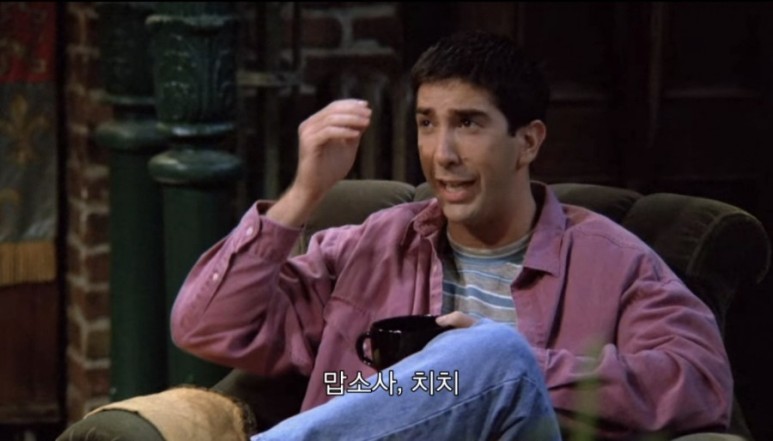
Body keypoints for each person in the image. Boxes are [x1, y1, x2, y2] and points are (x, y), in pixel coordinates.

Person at [170, 30, 732, 440]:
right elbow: (206, 325)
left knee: (494, 349)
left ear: (528, 142)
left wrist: (516, 370)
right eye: (427, 123)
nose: (442, 154)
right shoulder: (370, 247)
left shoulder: (611, 261)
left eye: (468, 123)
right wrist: (304, 193)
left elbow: (701, 383)